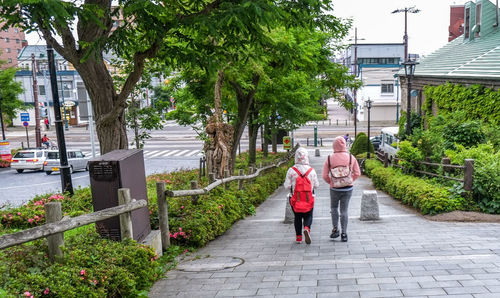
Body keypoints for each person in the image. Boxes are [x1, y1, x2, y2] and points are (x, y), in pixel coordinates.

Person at [322, 136, 361, 242]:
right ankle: (344, 233)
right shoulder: (351, 157)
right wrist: (350, 180)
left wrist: (331, 182)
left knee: (334, 208)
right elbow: (357, 173)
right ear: (345, 145)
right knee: (344, 210)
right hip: (348, 188)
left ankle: (335, 229)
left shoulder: (330, 158)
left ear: (334, 145)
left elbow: (324, 175)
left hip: (334, 188)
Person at [284, 147, 319, 244]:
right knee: (308, 215)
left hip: (295, 198)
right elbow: (316, 185)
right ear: (306, 157)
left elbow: (287, 186)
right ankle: (307, 228)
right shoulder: (311, 170)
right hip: (309, 198)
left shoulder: (291, 170)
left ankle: (298, 237)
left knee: (297, 217)